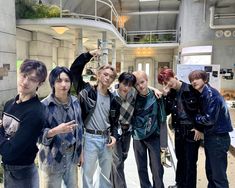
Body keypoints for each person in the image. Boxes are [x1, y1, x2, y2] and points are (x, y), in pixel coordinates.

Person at [70, 49, 118, 188]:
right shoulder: (86, 92)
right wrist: (88, 55)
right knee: (87, 175)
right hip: (89, 138)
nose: (107, 78)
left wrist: (114, 136)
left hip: (106, 140)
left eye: (111, 76)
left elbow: (115, 122)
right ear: (98, 74)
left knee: (105, 176)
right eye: (105, 74)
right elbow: (75, 70)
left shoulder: (114, 99)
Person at [0, 59, 47, 188]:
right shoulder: (10, 104)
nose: (25, 82)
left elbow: (10, 151)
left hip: (23, 173)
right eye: (24, 75)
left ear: (40, 83)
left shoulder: (36, 112)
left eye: (32, 79)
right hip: (8, 169)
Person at [38, 66, 83, 188]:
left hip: (71, 157)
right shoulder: (43, 106)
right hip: (51, 159)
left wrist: (80, 152)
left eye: (67, 80)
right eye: (59, 81)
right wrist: (55, 131)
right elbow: (38, 136)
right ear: (52, 83)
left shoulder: (75, 102)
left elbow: (80, 129)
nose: (64, 84)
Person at [158, 68, 203, 188]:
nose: (168, 83)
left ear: (174, 76)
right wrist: (165, 96)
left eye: (168, 79)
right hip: (178, 131)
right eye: (164, 82)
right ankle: (180, 184)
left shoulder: (191, 89)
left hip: (191, 131)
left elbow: (201, 109)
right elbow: (166, 112)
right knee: (181, 160)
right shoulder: (171, 94)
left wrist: (199, 128)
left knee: (190, 162)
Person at [188, 70, 233, 188]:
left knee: (218, 176)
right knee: (211, 172)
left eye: (197, 78)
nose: (194, 82)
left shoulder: (211, 95)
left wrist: (195, 117)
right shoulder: (204, 94)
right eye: (192, 80)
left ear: (205, 80)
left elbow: (209, 119)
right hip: (212, 136)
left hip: (218, 138)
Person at [131, 70, 167, 188]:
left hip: (154, 137)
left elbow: (162, 120)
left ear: (147, 81)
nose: (140, 86)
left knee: (157, 168)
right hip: (137, 137)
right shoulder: (132, 97)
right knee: (141, 167)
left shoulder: (156, 96)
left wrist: (164, 144)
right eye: (137, 84)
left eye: (142, 82)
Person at [110, 72, 137, 188]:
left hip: (128, 130)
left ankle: (111, 184)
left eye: (129, 85)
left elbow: (144, 86)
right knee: (118, 161)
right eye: (124, 84)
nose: (126, 87)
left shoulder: (134, 92)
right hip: (116, 130)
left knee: (122, 158)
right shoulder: (112, 94)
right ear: (119, 82)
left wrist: (155, 89)